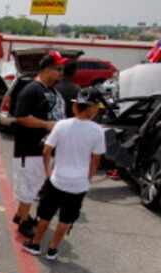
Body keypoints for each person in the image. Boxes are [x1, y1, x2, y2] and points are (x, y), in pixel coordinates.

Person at [22, 88, 107, 260]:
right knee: (66, 219)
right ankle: (53, 249)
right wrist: (88, 178)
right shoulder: (98, 131)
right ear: (93, 109)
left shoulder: (61, 125)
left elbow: (46, 151)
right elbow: (96, 160)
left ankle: (36, 244)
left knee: (45, 214)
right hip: (79, 184)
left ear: (76, 107)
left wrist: (48, 172)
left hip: (57, 179)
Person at [12, 50, 68, 238]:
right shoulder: (32, 90)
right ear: (46, 69)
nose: (60, 73)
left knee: (34, 185)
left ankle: (21, 214)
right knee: (29, 186)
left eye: (61, 69)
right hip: (30, 148)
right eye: (57, 69)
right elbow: (21, 117)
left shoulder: (51, 90)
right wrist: (47, 124)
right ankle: (23, 221)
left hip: (44, 149)